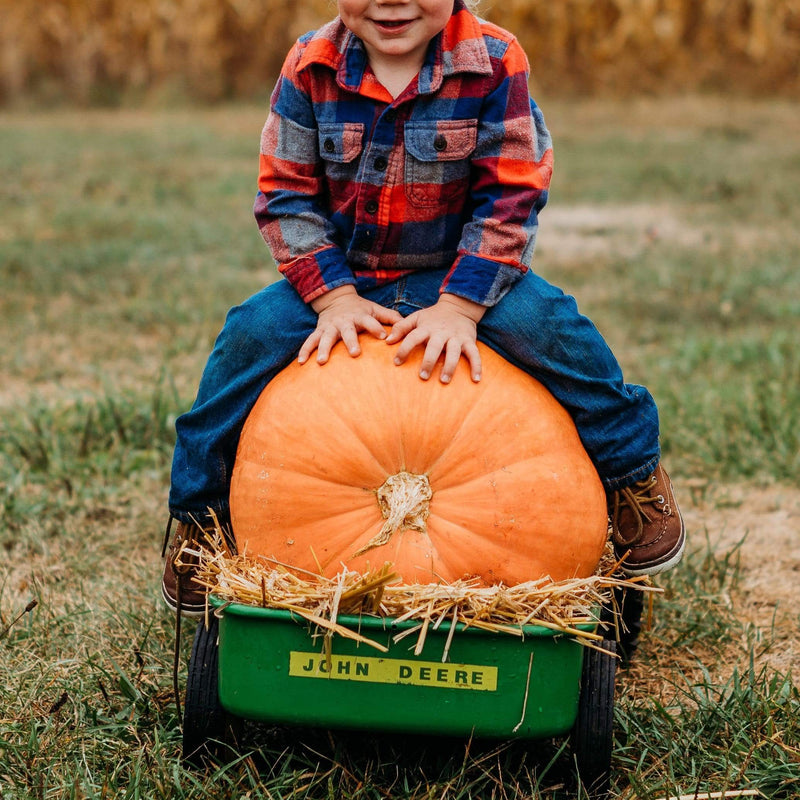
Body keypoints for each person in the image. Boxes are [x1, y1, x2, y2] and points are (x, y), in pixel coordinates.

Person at [161, 0, 685, 617]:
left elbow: (512, 193)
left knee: (554, 330)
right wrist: (334, 298)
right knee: (247, 336)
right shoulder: (310, 65)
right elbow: (285, 196)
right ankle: (200, 518)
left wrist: (461, 307)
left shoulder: (494, 61)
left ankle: (631, 476)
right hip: (344, 279)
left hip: (462, 276)